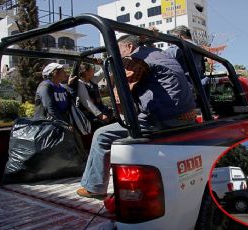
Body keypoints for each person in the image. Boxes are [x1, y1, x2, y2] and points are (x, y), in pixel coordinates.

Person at [77, 35, 196, 198]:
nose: (115, 56)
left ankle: (95, 187)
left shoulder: (134, 60)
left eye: (117, 50)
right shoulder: (160, 54)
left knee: (101, 134)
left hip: (165, 119)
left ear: (130, 47)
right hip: (187, 116)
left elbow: (120, 99)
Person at [34, 63, 73, 130]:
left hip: (60, 126)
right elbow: (50, 107)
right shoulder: (45, 86)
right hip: (46, 127)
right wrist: (64, 124)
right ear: (54, 73)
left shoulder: (62, 88)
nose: (65, 72)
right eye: (62, 71)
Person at [75, 63, 112, 128]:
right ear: (86, 72)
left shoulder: (92, 79)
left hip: (100, 109)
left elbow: (103, 71)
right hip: (90, 114)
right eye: (92, 70)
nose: (94, 71)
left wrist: (101, 64)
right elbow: (87, 103)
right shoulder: (80, 83)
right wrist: (101, 115)